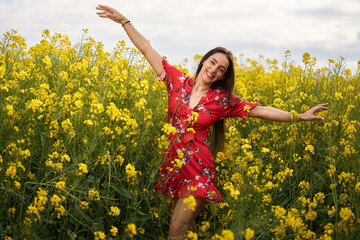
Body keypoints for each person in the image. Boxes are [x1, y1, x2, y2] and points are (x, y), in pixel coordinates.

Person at [96, 5, 329, 239]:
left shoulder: (222, 100)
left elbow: (261, 110)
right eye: (213, 62)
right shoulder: (177, 83)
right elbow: (147, 49)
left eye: (221, 69)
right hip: (173, 167)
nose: (214, 69)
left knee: (175, 231)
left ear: (223, 76)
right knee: (187, 230)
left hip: (198, 171)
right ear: (204, 60)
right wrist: (125, 21)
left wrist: (298, 117)